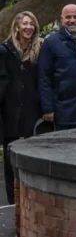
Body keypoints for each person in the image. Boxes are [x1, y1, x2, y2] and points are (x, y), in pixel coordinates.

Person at [1, 12, 43, 204]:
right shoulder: (5, 51)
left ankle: (31, 201)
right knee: (10, 162)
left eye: (31, 24)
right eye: (25, 23)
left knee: (32, 157)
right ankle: (13, 202)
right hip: (9, 113)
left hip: (31, 112)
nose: (28, 27)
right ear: (16, 27)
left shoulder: (38, 51)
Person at [39, 4, 76, 130]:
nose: (72, 20)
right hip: (63, 109)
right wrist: (47, 108)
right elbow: (44, 77)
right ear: (61, 19)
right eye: (68, 17)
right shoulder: (51, 42)